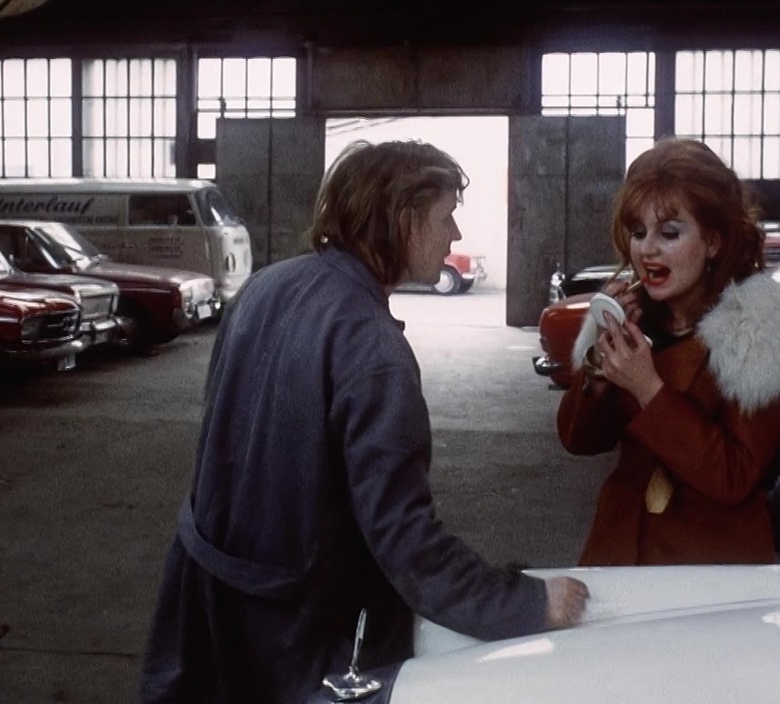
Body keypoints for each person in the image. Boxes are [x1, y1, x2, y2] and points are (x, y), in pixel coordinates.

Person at [138, 140, 591, 704]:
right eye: (445, 217)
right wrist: (526, 603)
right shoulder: (373, 351)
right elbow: (404, 540)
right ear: (402, 221)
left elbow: (220, 440)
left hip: (207, 603)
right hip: (291, 633)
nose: (454, 235)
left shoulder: (265, 286)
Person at [556, 137, 780, 566]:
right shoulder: (632, 320)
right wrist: (599, 369)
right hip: (617, 553)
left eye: (669, 233)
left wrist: (648, 388)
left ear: (714, 241)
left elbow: (734, 477)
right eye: (638, 232)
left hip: (712, 566)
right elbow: (578, 441)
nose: (647, 249)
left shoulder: (762, 329)